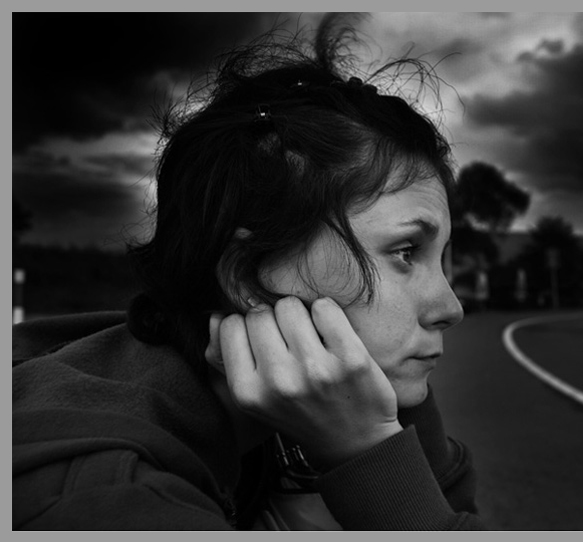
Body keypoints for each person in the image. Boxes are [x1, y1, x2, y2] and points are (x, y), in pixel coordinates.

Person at [12, 15, 485, 530]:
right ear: (247, 276)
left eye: (440, 257)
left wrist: (387, 406)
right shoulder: (113, 501)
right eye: (406, 252)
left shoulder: (265, 395)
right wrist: (369, 449)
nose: (450, 307)